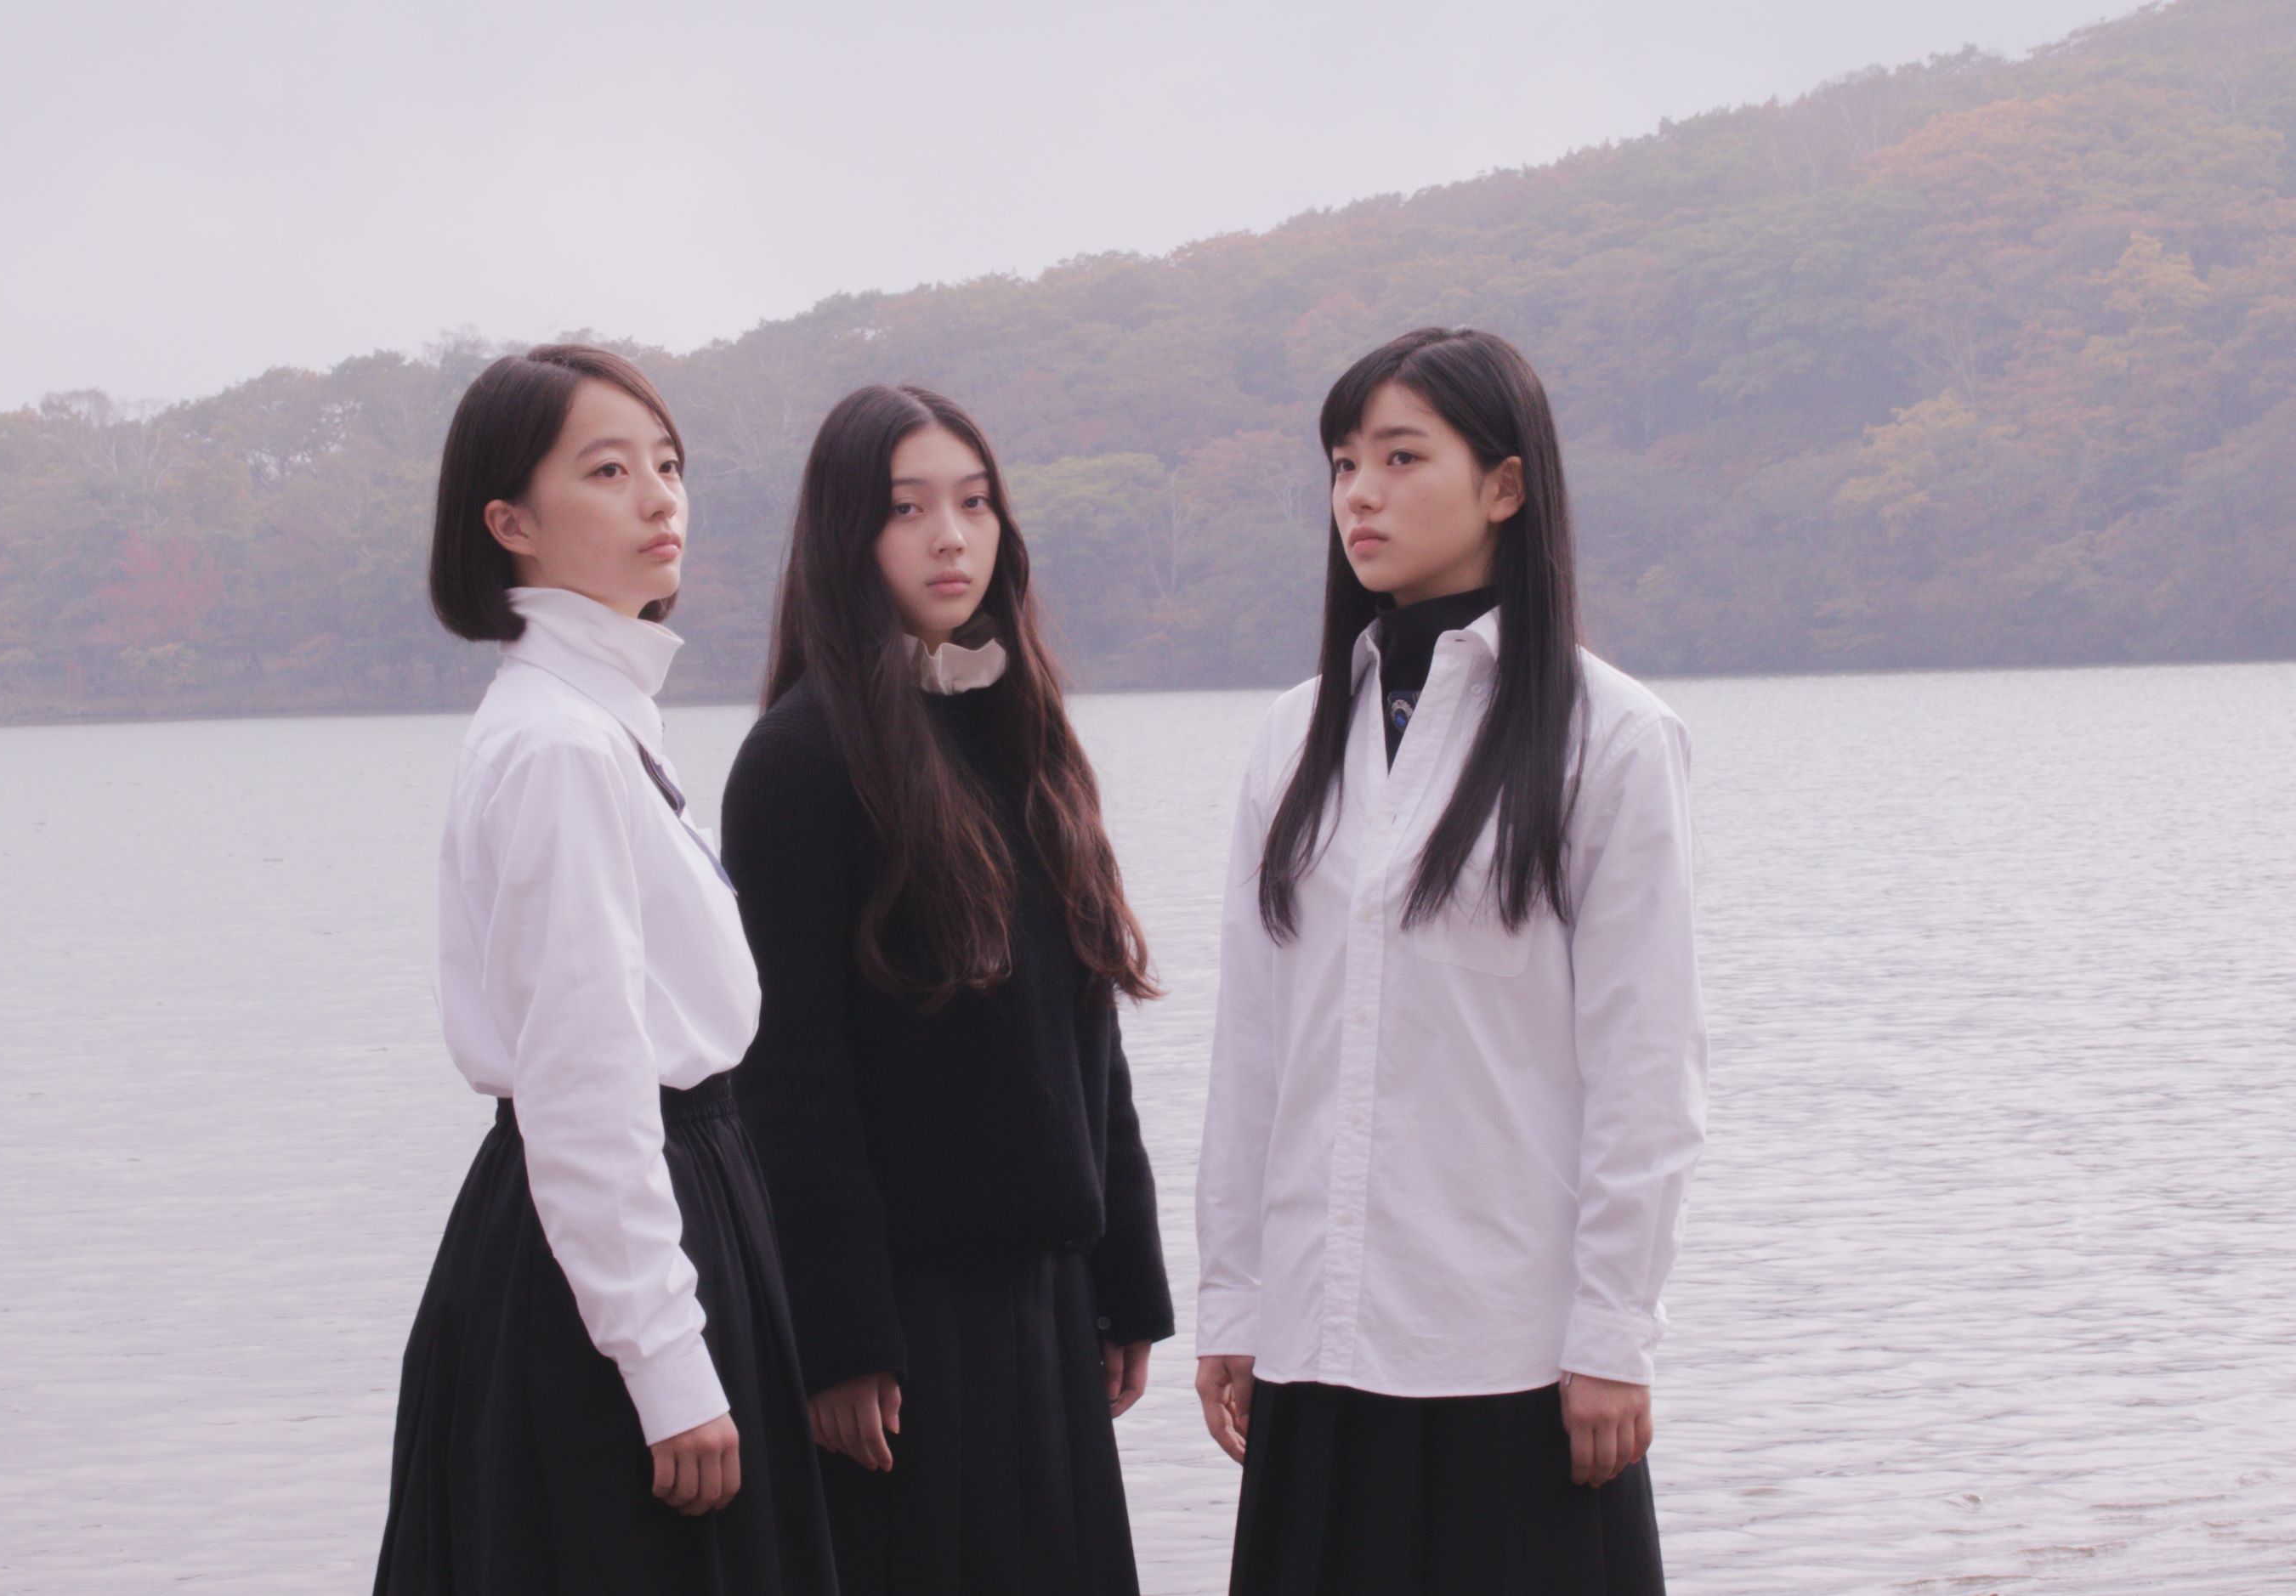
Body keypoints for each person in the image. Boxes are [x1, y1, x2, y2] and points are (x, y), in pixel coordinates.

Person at [1193, 327, 1707, 1593]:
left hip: (1509, 1354)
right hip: (1317, 1336)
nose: (1358, 495)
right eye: (1341, 464)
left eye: (1400, 457)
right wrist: (1234, 1299)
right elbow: (1253, 1050)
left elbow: (1646, 1068)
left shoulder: (1611, 737)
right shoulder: (1293, 739)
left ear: (1505, 485)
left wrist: (1614, 1333)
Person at [375, 344, 835, 1595]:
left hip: (666, 1200)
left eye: (669, 465)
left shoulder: (599, 721)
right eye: (608, 470)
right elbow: (582, 1081)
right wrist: (665, 1362)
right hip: (617, 1232)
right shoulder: (562, 748)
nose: (659, 497)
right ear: (510, 523)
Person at [719, 383, 1174, 1594]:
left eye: (974, 504)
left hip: (1049, 1300)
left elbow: (1087, 1034)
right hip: (906, 1330)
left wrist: (1126, 1281)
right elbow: (788, 1076)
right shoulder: (799, 759)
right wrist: (840, 1341)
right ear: (846, 535)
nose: (951, 538)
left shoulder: (1023, 730)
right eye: (908, 509)